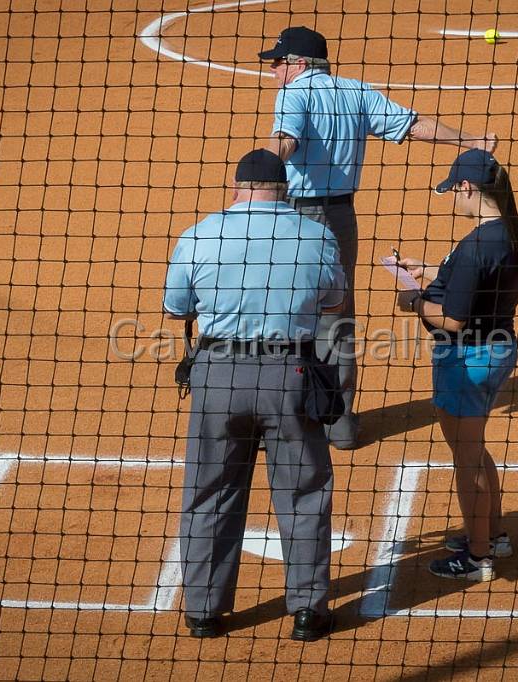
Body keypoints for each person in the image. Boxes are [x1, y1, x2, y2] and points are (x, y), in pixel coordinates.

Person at [259, 26, 498, 449]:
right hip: (340, 220)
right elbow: (414, 124)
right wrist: (469, 139)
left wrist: (260, 177)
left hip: (294, 218)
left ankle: (285, 421)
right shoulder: (357, 92)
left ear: (298, 64)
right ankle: (341, 422)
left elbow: (286, 140)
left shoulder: (293, 93)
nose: (274, 70)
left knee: (279, 308)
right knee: (336, 312)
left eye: (277, 62)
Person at [163, 149, 345, 640]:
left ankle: (203, 611)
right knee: (304, 491)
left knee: (209, 491)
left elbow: (176, 304)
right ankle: (308, 612)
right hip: (292, 373)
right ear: (282, 189)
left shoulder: (200, 233)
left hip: (218, 376)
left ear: (237, 186)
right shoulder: (316, 234)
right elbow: (334, 300)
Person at [394, 149, 518, 581]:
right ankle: (493, 534)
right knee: (473, 444)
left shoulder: (476, 244)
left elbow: (452, 319)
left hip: (465, 358)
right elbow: (476, 275)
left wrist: (414, 301)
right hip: (498, 349)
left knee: (466, 455)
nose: (452, 196)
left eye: (454, 189)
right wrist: (432, 268)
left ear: (468, 187)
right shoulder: (512, 232)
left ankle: (477, 556)